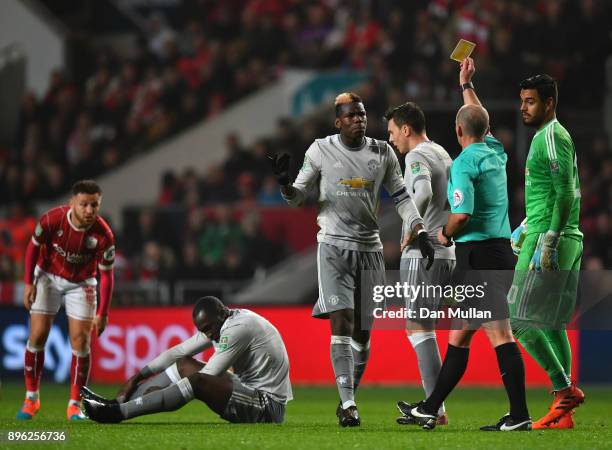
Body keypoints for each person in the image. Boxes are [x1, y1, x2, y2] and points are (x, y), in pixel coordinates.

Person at [268, 92, 435, 427]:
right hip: (332, 246)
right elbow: (298, 197)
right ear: (338, 121)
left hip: (369, 249)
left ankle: (348, 396)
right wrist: (286, 186)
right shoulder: (319, 149)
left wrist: (418, 228)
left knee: (362, 332)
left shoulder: (383, 152)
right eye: (352, 115)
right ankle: (348, 404)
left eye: (362, 114)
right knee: (340, 321)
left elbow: (402, 195)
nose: (359, 119)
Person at [401, 58, 531, 431]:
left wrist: (442, 235)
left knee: (499, 334)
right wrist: (465, 85)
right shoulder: (495, 151)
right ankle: (430, 407)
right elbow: (480, 118)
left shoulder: (463, 164)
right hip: (499, 250)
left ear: (457, 130)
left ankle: (520, 415)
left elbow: (462, 216)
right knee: (460, 334)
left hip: (479, 254)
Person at [81, 296, 292, 424]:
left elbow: (207, 377)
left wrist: (160, 395)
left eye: (208, 329)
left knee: (197, 380)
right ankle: (115, 402)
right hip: (248, 390)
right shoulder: (221, 322)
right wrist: (135, 378)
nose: (208, 336)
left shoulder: (237, 329)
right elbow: (177, 352)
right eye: (203, 331)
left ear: (221, 313)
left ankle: (119, 413)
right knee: (184, 364)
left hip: (267, 407)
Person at [509, 74, 584, 429]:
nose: (523, 107)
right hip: (554, 232)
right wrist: (526, 223)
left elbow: (566, 193)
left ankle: (563, 389)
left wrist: (548, 237)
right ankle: (563, 412)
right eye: (522, 100)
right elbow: (551, 193)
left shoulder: (552, 136)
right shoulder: (549, 137)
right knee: (552, 323)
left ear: (549, 103)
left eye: (531, 101)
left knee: (519, 319)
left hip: (550, 237)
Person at [16, 180, 116, 421]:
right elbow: (33, 248)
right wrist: (29, 282)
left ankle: (74, 405)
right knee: (37, 335)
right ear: (72, 203)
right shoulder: (52, 219)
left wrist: (103, 312)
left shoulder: (103, 235)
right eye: (84, 204)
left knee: (81, 342)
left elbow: (107, 275)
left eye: (94, 205)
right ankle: (31, 398)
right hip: (48, 277)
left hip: (82, 283)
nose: (90, 210)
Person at [384, 102, 455, 426]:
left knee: (418, 326)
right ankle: (434, 405)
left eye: (392, 132)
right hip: (445, 250)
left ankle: (435, 408)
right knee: (423, 326)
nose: (391, 140)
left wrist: (414, 229)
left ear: (406, 129)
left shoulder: (415, 156)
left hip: (423, 252)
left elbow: (423, 192)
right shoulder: (442, 152)